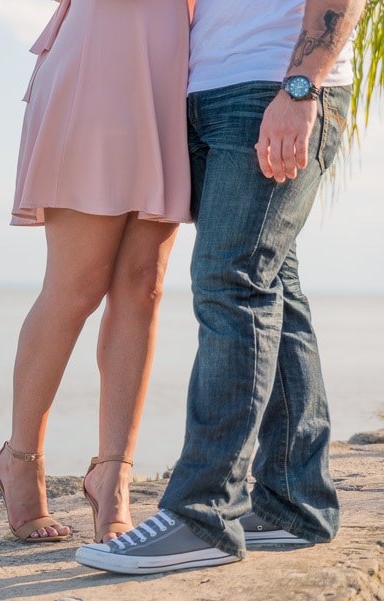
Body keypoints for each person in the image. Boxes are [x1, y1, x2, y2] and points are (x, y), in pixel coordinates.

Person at [75, 0, 367, 573]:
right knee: (272, 284)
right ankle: (294, 504)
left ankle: (202, 516)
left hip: (276, 87)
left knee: (229, 284)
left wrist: (301, 88)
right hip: (210, 91)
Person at [0, 0, 193, 543]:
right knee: (77, 286)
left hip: (173, 68)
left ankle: (113, 475)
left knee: (143, 286)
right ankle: (20, 460)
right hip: (100, 59)